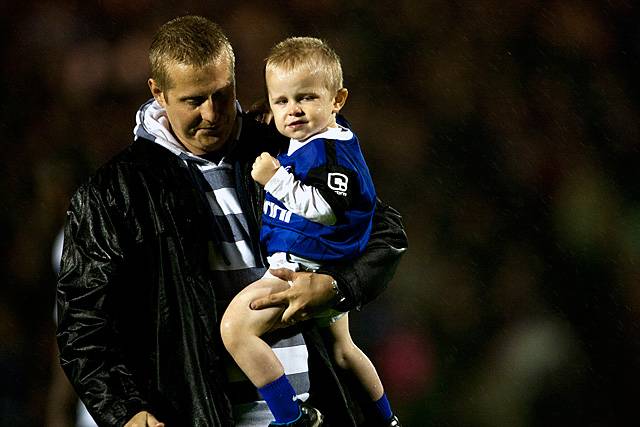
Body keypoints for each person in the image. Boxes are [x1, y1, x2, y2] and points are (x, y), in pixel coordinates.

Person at [56, 15, 407, 427]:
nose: (211, 114)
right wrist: (128, 413)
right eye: (193, 100)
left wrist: (336, 285)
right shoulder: (115, 193)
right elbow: (83, 326)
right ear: (158, 93)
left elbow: (384, 230)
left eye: (222, 95)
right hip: (200, 415)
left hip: (319, 408)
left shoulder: (286, 148)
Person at [220, 37, 400, 427]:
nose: (293, 110)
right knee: (344, 351)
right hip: (325, 267)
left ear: (338, 100)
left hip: (302, 268)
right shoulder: (316, 139)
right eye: (281, 101)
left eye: (306, 98)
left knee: (235, 330)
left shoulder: (331, 152)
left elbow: (327, 209)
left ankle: (291, 417)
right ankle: (385, 419)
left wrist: (276, 181)